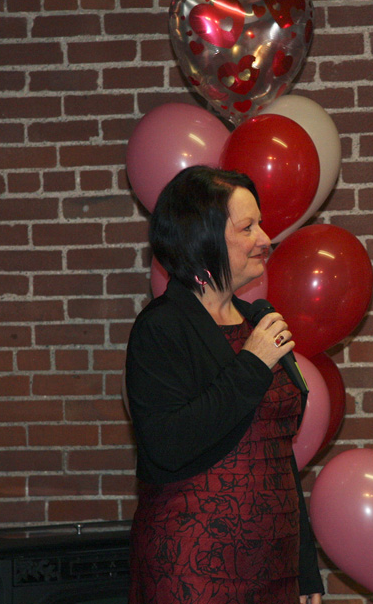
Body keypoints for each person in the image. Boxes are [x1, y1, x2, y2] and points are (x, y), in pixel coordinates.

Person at [125, 166, 323, 604]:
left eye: (261, 224)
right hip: (194, 570)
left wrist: (306, 570)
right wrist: (253, 362)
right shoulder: (162, 329)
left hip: (275, 570)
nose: (265, 239)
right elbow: (167, 444)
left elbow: (277, 452)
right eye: (248, 227)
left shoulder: (257, 321)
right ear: (203, 238)